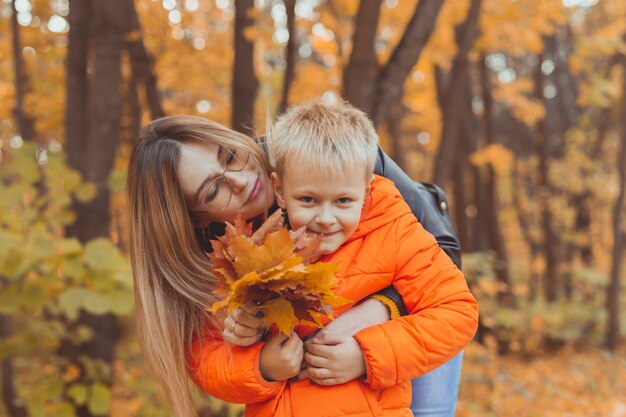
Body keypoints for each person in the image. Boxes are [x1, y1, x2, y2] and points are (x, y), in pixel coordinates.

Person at [127, 111, 470, 417]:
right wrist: (259, 363)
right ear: (194, 221)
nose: (242, 180)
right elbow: (209, 358)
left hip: (412, 317)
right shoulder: (206, 258)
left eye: (230, 156)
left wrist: (382, 310)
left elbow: (442, 268)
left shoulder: (321, 152)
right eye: (214, 191)